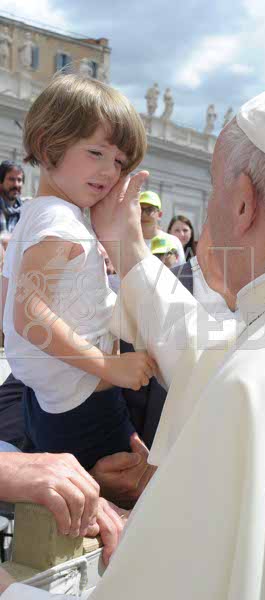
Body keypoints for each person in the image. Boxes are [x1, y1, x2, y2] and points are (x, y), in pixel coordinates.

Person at [4, 82, 265, 600]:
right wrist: (129, 250)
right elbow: (212, 353)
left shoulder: (256, 387)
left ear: (243, 204)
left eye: (214, 190)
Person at [1, 74, 156, 471]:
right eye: (96, 152)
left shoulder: (36, 216)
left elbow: (7, 300)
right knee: (125, 488)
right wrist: (108, 365)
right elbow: (28, 316)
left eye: (119, 161)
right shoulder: (60, 222)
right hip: (84, 405)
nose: (109, 172)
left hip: (53, 402)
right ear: (49, 144)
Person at [139, 190, 185, 264]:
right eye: (140, 209)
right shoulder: (126, 241)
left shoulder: (173, 242)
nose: (143, 214)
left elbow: (181, 270)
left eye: (150, 210)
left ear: (159, 215)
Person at [0, 161, 24, 235]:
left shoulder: (25, 211)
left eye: (19, 180)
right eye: (11, 179)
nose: (16, 185)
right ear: (1, 182)